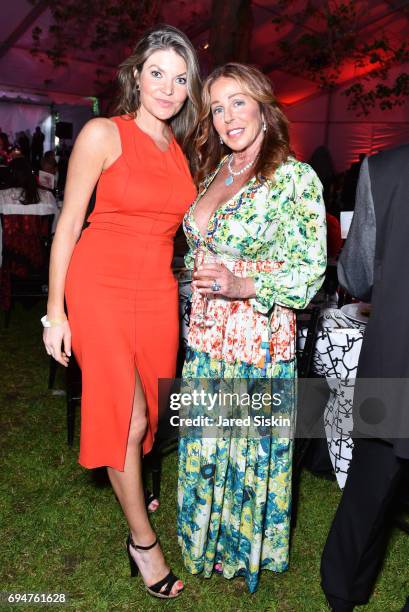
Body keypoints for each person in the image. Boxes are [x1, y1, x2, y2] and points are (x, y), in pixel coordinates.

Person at [42, 24, 201, 600]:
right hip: (99, 286)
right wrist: (55, 312)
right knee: (126, 417)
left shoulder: (178, 150)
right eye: (157, 73)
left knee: (151, 415)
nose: (168, 87)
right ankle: (143, 543)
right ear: (136, 76)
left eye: (180, 79)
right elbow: (67, 224)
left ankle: (133, 479)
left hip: (156, 292)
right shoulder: (103, 133)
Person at [177, 62, 327, 593]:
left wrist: (243, 285)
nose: (227, 117)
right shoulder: (214, 172)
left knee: (248, 449)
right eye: (217, 107)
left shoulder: (294, 178)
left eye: (239, 102)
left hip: (257, 340)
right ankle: (204, 543)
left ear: (264, 107)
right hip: (205, 337)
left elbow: (310, 272)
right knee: (208, 442)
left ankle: (245, 552)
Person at [321, 145, 409, 612]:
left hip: (394, 351)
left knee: (370, 483)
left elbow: (354, 273)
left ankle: (342, 592)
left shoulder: (385, 167)